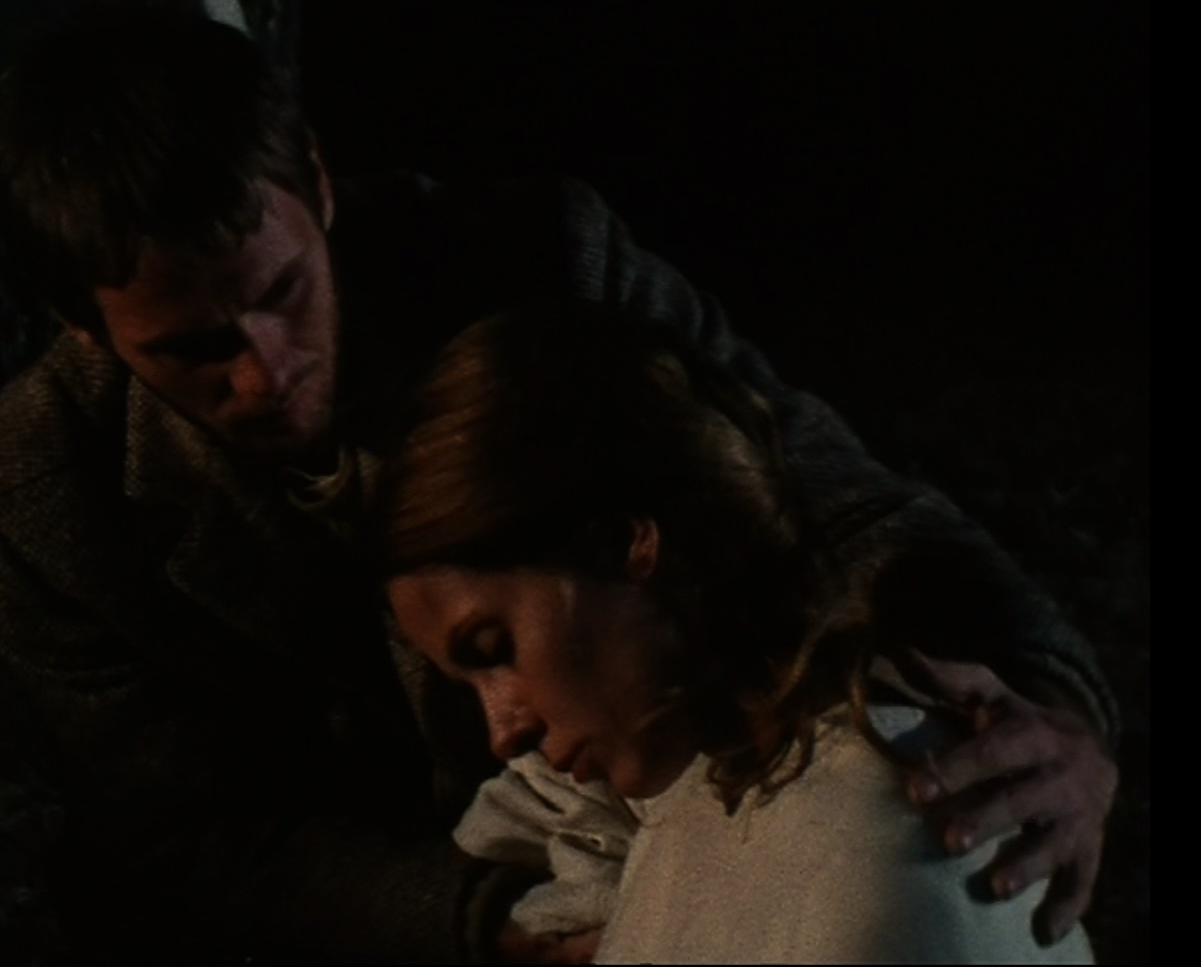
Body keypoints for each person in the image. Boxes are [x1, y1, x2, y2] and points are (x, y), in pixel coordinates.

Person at [0, 0, 1118, 963]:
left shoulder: (535, 259)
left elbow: (824, 497)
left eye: (284, 292)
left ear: (319, 187)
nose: (267, 370)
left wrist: (1047, 714)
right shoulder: (28, 499)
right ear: (86, 329)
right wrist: (494, 924)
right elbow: (196, 836)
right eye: (195, 350)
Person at [380, 306, 1096, 963]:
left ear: (626, 544)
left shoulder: (872, 846)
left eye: (494, 650)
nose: (502, 732)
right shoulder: (690, 813)